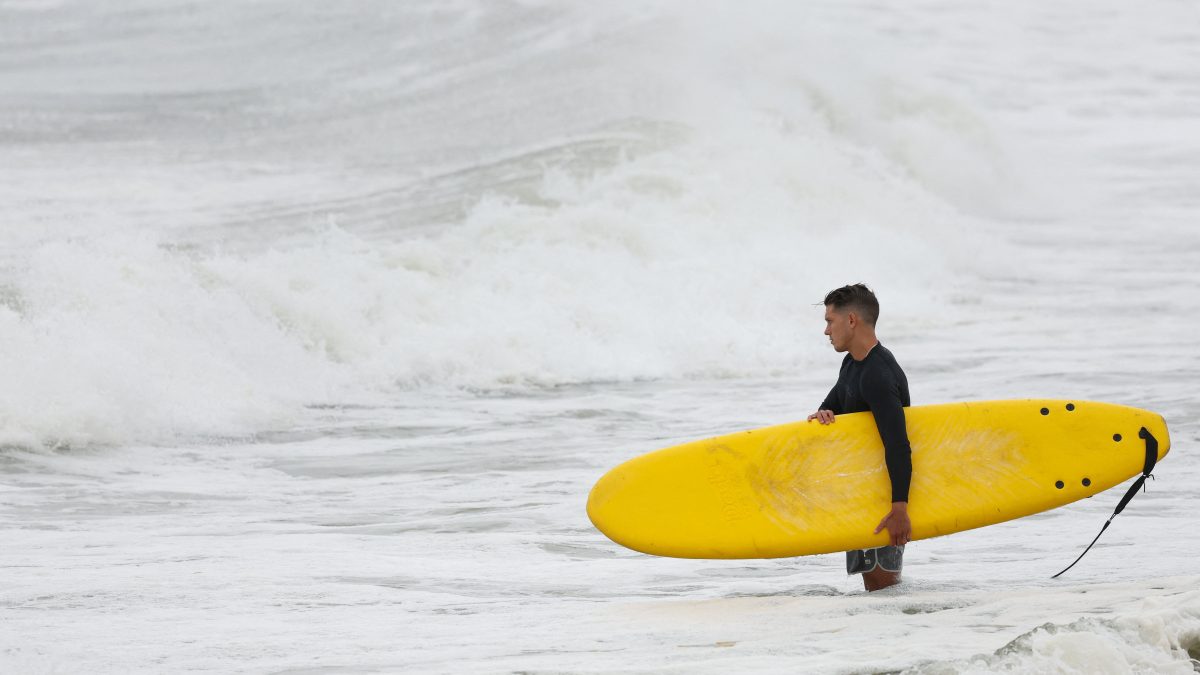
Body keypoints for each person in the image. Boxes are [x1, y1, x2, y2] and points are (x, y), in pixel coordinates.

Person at [807, 284, 912, 592]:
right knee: (877, 588)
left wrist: (900, 509)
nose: (826, 331)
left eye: (830, 321)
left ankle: (908, 635)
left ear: (851, 320)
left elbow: (898, 444)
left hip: (885, 499)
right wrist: (824, 412)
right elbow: (835, 401)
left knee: (883, 587)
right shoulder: (853, 364)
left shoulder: (879, 374)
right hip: (864, 494)